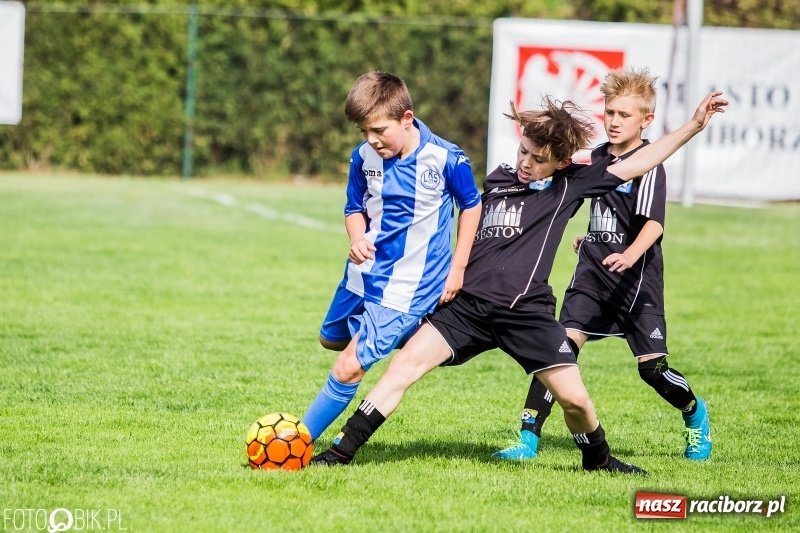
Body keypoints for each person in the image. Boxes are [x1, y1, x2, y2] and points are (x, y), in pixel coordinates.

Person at [309, 89, 728, 473]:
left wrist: (692, 126)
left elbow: (638, 162)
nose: (525, 163)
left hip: (524, 313)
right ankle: (339, 453)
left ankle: (597, 460)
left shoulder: (569, 185)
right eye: (523, 152)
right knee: (402, 368)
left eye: (537, 159)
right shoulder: (498, 179)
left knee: (575, 400)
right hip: (468, 309)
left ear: (561, 163)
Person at [493, 67, 712, 462]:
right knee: (557, 352)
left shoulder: (648, 164)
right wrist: (592, 236)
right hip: (592, 276)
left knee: (652, 370)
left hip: (635, 285)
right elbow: (601, 206)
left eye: (623, 115)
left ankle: (695, 416)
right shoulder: (596, 157)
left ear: (646, 120)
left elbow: (654, 224)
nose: (613, 121)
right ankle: (527, 439)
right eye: (609, 112)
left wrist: (629, 253)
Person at [301, 71, 483, 441]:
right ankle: (423, 336)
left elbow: (472, 206)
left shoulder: (445, 158)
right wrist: (355, 238)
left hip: (407, 286)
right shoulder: (363, 157)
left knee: (348, 366)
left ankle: (295, 443)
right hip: (362, 275)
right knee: (329, 339)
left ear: (406, 119)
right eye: (364, 131)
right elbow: (354, 207)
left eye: (379, 130)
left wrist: (458, 267)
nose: (372, 140)